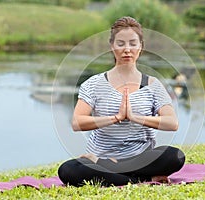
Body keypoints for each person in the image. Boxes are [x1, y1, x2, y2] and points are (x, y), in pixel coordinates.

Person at [58, 16, 185, 187]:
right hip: (101, 156)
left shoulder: (153, 85)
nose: (127, 49)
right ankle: (138, 180)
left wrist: (134, 117)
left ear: (141, 46)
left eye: (133, 43)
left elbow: (172, 123)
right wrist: (116, 117)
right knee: (68, 170)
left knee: (175, 156)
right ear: (112, 45)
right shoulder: (93, 84)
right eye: (121, 43)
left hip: (139, 158)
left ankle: (117, 173)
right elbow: (77, 122)